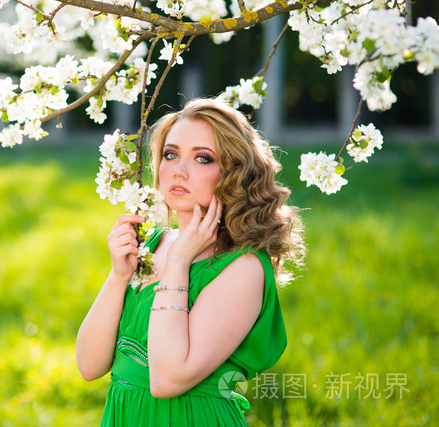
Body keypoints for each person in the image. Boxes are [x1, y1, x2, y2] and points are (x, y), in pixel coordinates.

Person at [76, 98, 305, 426]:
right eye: (171, 154)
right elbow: (89, 365)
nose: (178, 171)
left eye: (202, 158)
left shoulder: (242, 268)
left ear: (233, 172)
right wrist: (117, 277)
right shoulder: (151, 243)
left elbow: (167, 379)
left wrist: (180, 260)